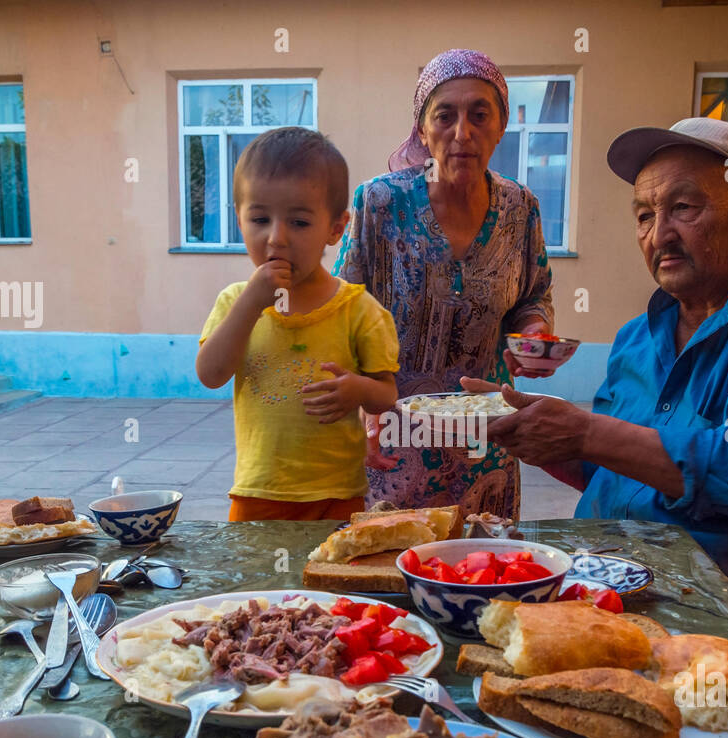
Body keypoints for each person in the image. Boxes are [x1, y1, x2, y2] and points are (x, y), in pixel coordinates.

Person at [467, 117, 728, 666]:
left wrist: (584, 430)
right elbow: (606, 468)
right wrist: (529, 429)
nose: (659, 235)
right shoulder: (636, 337)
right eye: (644, 215)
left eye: (685, 208)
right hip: (600, 601)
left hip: (725, 626)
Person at [334, 48, 554, 521]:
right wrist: (363, 407)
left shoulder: (522, 209)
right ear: (422, 128)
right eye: (445, 116)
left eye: (480, 115)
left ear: (500, 127)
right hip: (393, 438)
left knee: (485, 572)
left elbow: (533, 295)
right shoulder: (379, 203)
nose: (462, 133)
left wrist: (534, 334)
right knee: (386, 573)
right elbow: (343, 309)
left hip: (486, 440)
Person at [195, 127, 399, 521]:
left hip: (337, 497)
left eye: (300, 223)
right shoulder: (235, 302)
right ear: (240, 220)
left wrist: (357, 389)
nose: (277, 239)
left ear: (336, 228)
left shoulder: (358, 309)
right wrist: (252, 303)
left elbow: (387, 394)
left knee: (333, 582)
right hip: (257, 494)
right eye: (259, 219)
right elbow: (210, 373)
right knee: (257, 583)